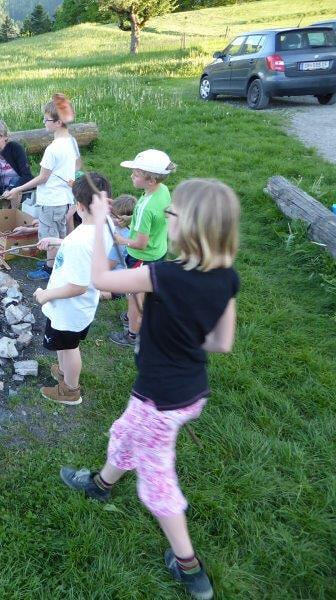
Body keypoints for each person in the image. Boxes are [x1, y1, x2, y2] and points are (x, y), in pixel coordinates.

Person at [61, 178, 240, 600]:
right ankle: (101, 483)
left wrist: (99, 222)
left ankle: (188, 565)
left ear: (188, 226)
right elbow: (221, 343)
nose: (167, 215)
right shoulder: (226, 277)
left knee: (158, 481)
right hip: (190, 390)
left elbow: (101, 279)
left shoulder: (162, 275)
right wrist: (181, 336)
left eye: (172, 212)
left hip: (159, 399)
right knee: (125, 432)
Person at [32, 173, 113, 405]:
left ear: (79, 206)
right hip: (81, 307)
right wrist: (59, 241)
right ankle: (64, 371)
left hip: (70, 307)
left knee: (69, 347)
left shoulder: (80, 242)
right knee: (66, 345)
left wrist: (46, 295)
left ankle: (70, 389)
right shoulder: (104, 224)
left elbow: (78, 287)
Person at [3, 97, 78, 282]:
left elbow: (42, 177)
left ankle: (49, 269)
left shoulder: (53, 149)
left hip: (51, 200)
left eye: (47, 119)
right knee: (59, 233)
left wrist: (18, 189)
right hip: (63, 198)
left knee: (50, 236)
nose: (44, 122)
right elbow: (74, 167)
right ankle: (57, 262)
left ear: (58, 122)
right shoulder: (71, 141)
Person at [109, 149, 176, 348]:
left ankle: (132, 334)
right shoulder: (161, 190)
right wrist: (131, 219)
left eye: (136, 174)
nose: (132, 176)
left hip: (142, 257)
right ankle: (134, 317)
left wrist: (121, 240)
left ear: (151, 180)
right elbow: (156, 218)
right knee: (143, 291)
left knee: (134, 297)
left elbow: (140, 243)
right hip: (157, 251)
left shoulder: (146, 207)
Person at [100, 193, 137, 300]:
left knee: (92, 286)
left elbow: (109, 265)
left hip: (116, 274)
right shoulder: (129, 228)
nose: (109, 218)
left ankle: (114, 293)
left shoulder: (120, 237)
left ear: (123, 219)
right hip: (118, 272)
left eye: (112, 216)